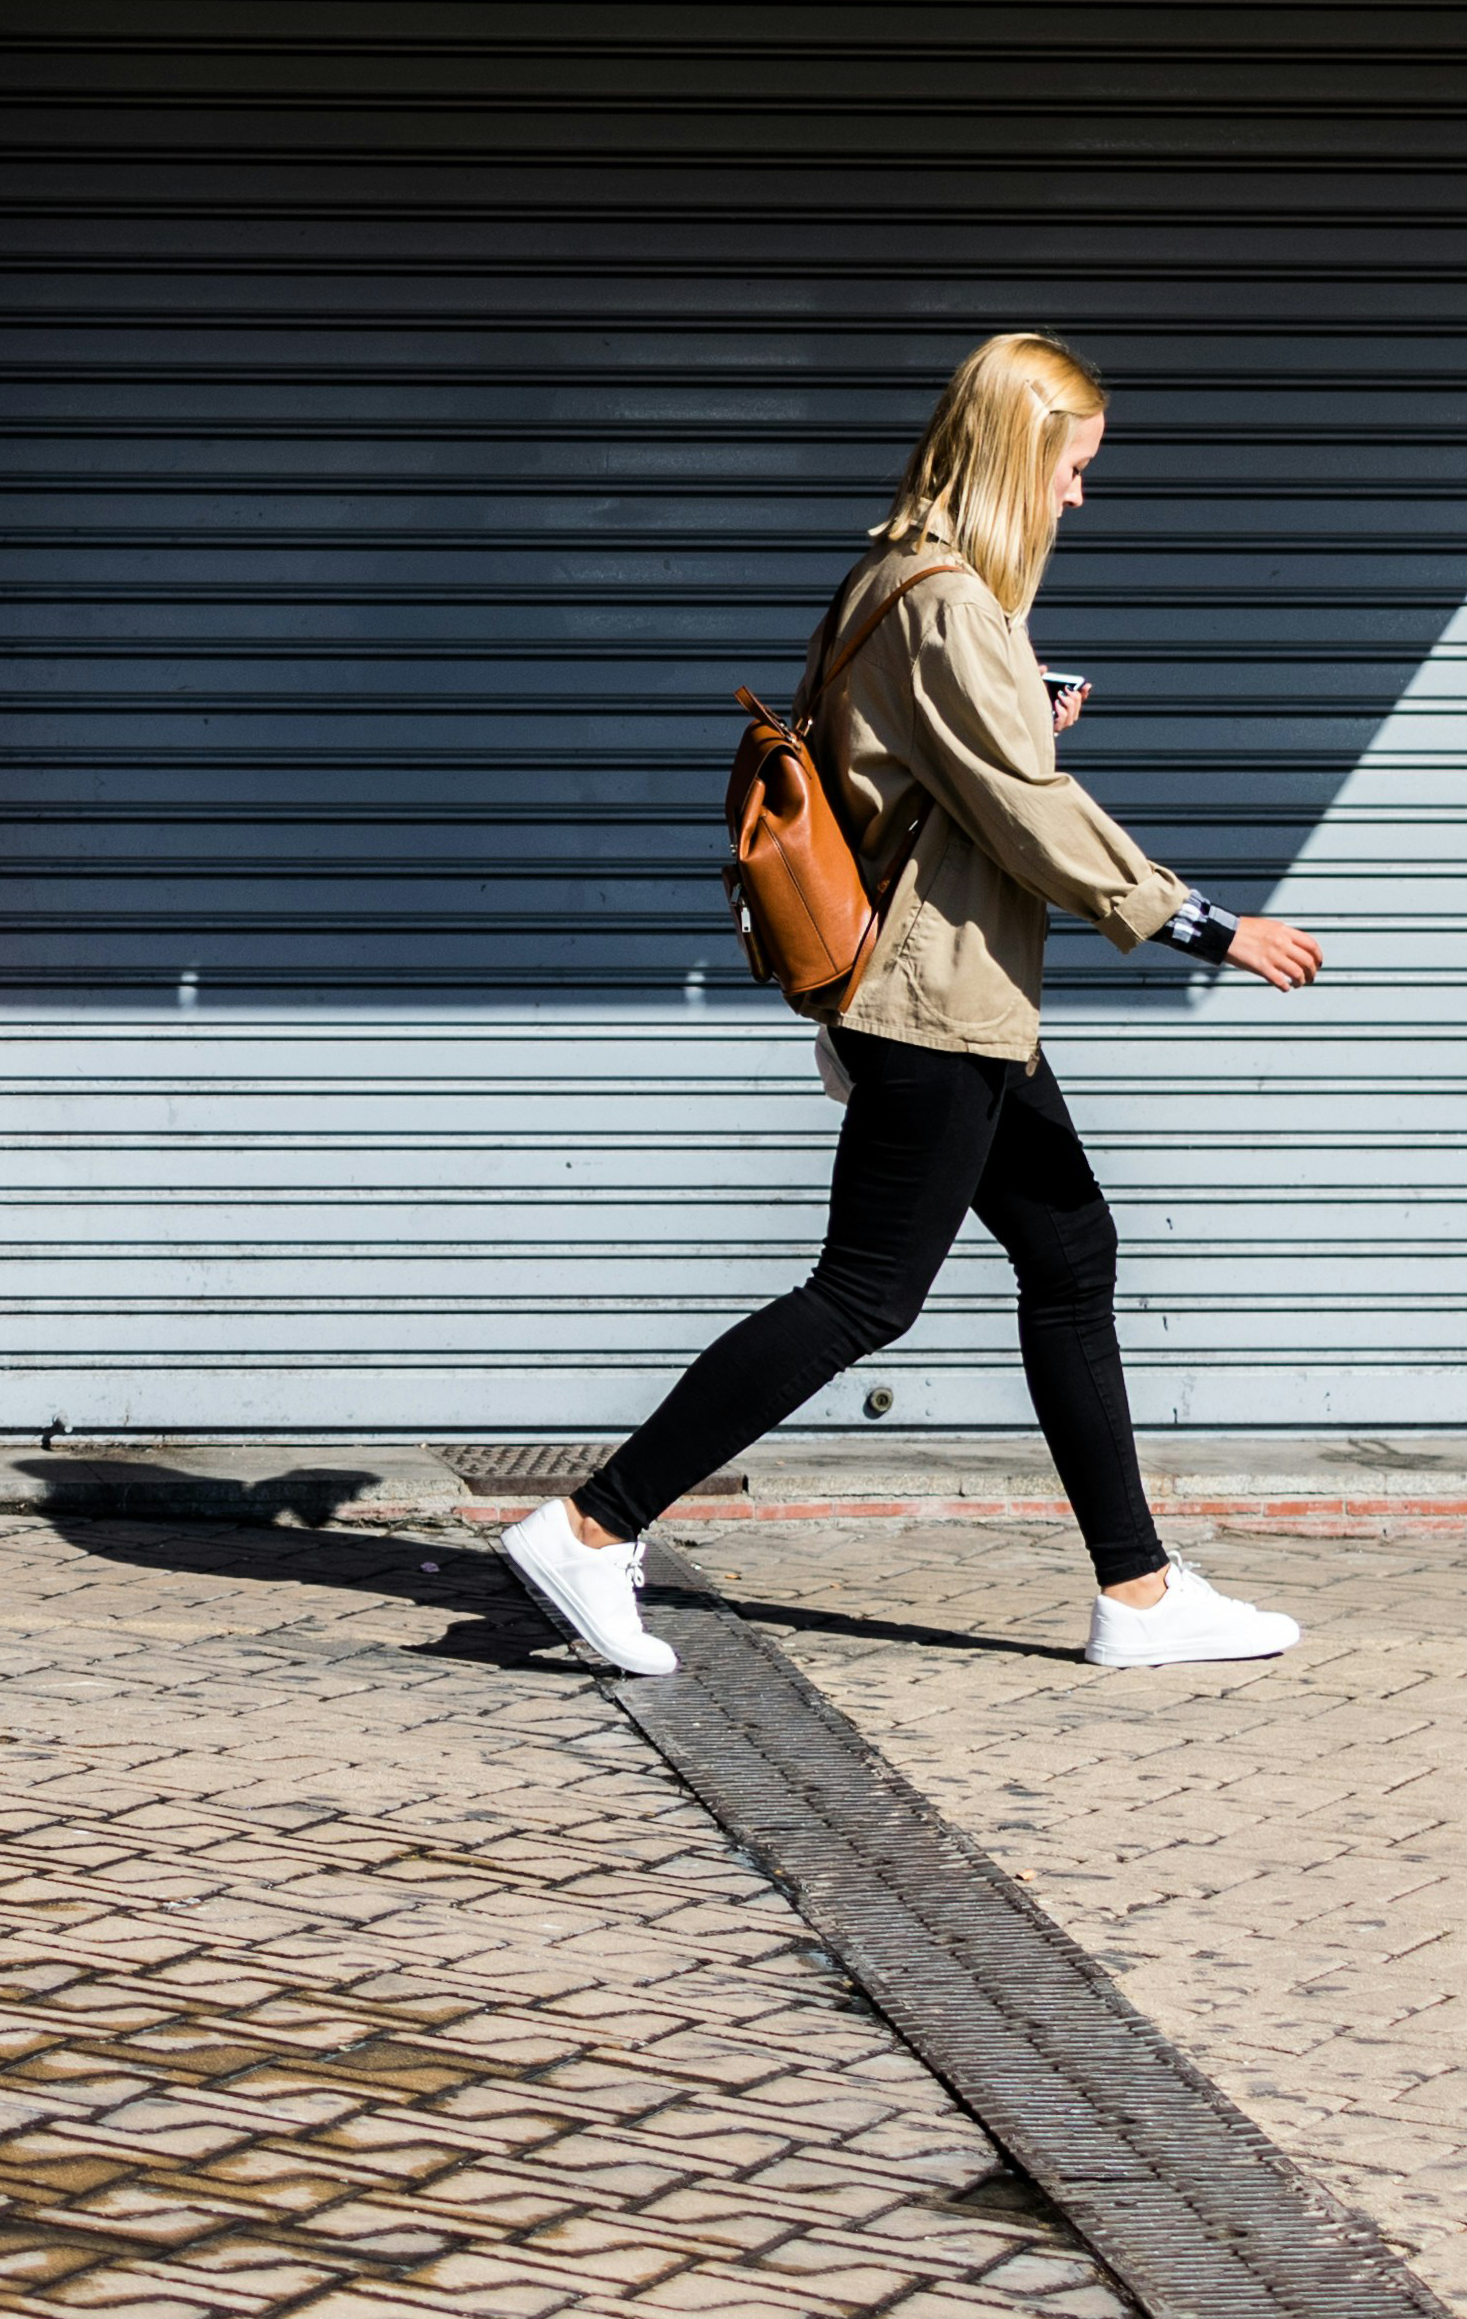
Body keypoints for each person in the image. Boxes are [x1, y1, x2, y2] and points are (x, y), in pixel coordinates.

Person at [503, 332, 1325, 1676]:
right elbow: (1028, 818)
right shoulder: (947, 603)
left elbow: (940, 776)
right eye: (1071, 469)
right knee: (864, 1296)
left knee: (1069, 1254)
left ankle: (1139, 1589)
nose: (1079, 498)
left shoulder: (893, 581)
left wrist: (1023, 727)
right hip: (932, 1002)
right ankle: (594, 1530)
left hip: (957, 997)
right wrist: (1207, 925)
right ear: (1016, 457)